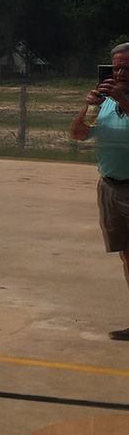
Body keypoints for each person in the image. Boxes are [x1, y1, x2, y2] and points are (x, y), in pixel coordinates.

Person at [69, 41, 129, 340]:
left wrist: (124, 100)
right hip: (110, 187)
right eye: (116, 68)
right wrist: (88, 106)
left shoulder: (119, 97)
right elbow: (78, 134)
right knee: (127, 257)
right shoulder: (103, 101)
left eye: (127, 68)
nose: (120, 74)